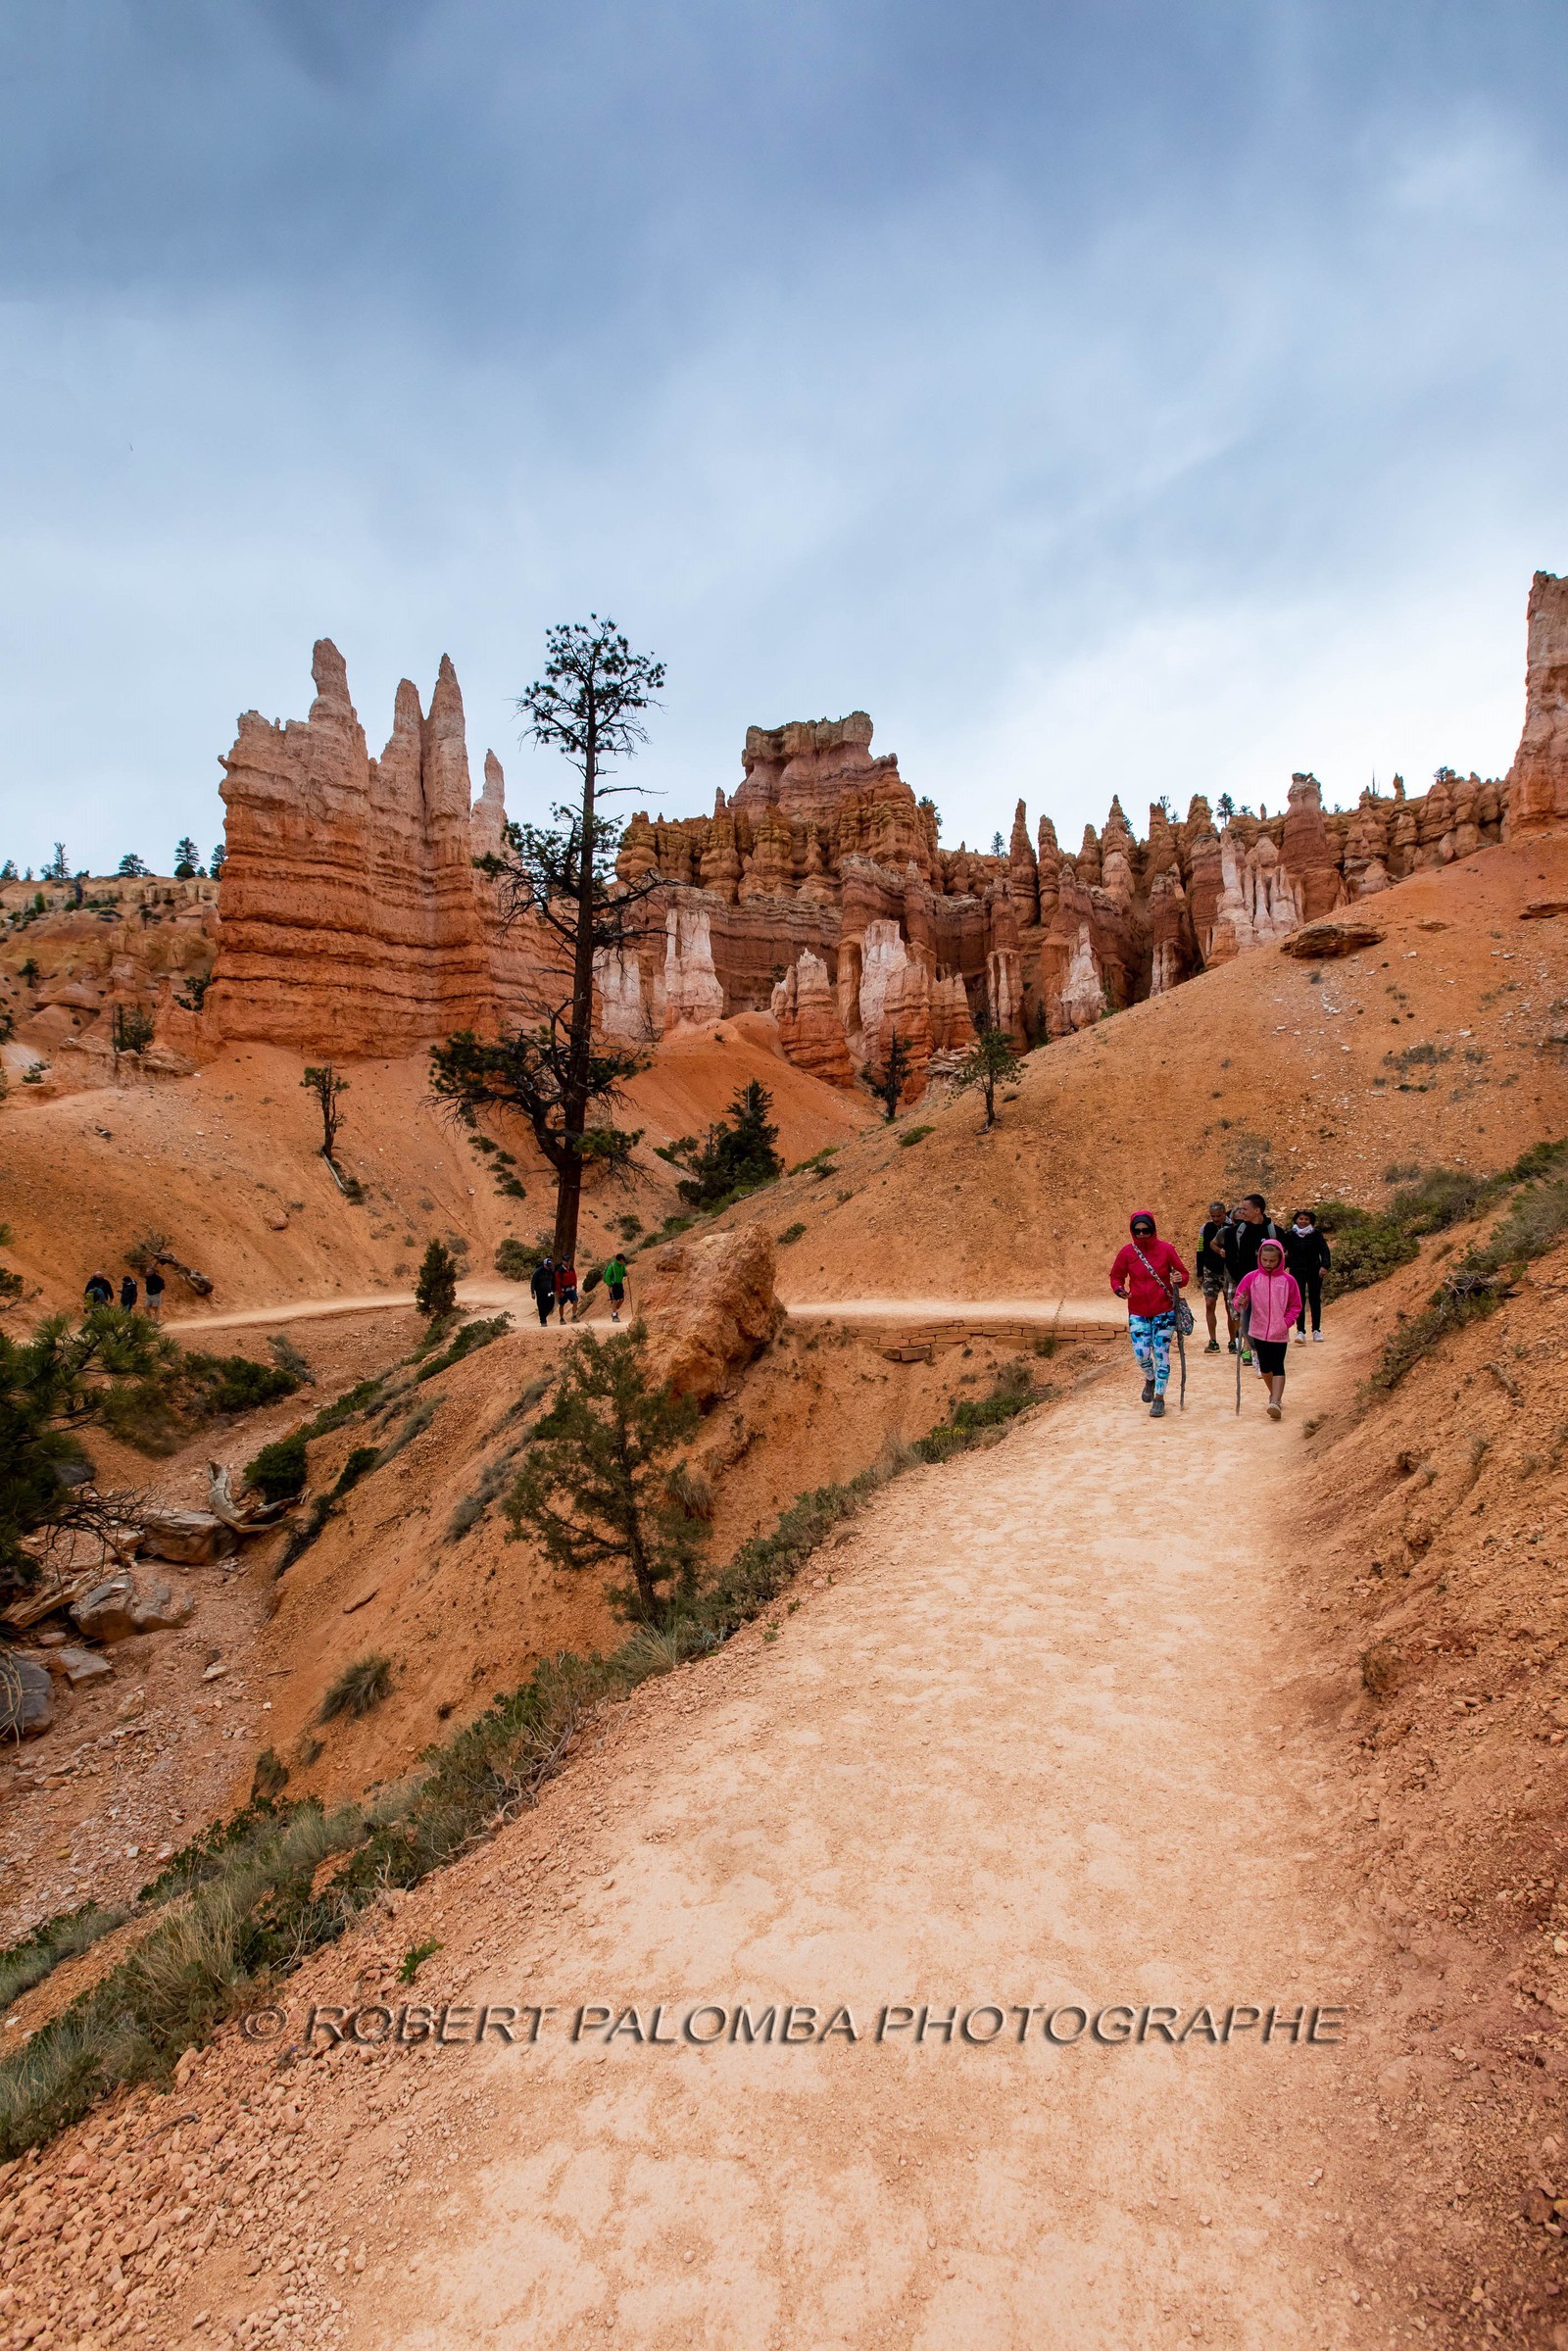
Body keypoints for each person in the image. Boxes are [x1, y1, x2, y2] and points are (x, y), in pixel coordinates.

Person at [1108, 1211, 1190, 1421]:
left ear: (1153, 1229)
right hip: (1137, 1311)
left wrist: (1179, 1278)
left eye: (1146, 1230)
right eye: (1138, 1231)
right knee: (1141, 1353)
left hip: (1164, 1311)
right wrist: (1119, 1289)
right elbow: (1116, 1275)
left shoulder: (1166, 1250)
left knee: (1161, 1353)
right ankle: (1150, 1378)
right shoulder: (1127, 1252)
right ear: (1132, 1231)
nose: (1142, 1234)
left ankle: (1159, 1398)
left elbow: (1184, 1274)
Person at [1233, 1238, 1301, 1422]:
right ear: (1259, 1258)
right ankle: (1274, 1395)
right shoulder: (1251, 1278)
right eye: (1265, 1260)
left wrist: (1285, 1322)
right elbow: (1240, 1298)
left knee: (1278, 1365)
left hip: (1279, 1332)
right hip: (1258, 1330)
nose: (1268, 1264)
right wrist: (1240, 1302)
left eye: (1272, 1261)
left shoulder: (1288, 1281)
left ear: (1280, 1259)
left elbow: (1296, 1305)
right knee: (1265, 1367)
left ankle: (1275, 1401)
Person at [1195, 1200, 1236, 1355]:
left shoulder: (1233, 1227)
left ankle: (1232, 1341)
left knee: (1230, 1307)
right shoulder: (1205, 1228)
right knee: (1209, 1303)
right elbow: (1200, 1249)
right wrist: (1199, 1272)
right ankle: (1213, 1341)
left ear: (1225, 1213)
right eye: (1213, 1216)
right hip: (1210, 1270)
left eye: (1219, 1216)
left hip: (1228, 1271)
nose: (1216, 1219)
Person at [1284, 1209, 1330, 1344]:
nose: (1303, 1221)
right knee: (1299, 1301)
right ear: (1296, 1220)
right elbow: (1284, 1252)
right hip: (1296, 1271)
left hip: (1314, 1270)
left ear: (1311, 1222)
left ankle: (1316, 1330)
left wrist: (1324, 1266)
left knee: (1315, 1299)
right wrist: (1283, 1267)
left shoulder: (1316, 1234)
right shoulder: (1290, 1235)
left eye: (1306, 1219)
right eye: (1301, 1219)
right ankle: (1300, 1331)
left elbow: (1324, 1250)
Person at [529, 1253, 556, 1328]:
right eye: (548, 1265)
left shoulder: (551, 1271)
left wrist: (554, 1289)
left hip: (549, 1291)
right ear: (544, 1264)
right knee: (541, 1306)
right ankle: (543, 1321)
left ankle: (544, 1315)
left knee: (551, 1303)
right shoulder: (538, 1272)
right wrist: (532, 1292)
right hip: (540, 1292)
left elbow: (553, 1281)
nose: (549, 1267)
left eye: (550, 1265)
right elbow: (533, 1282)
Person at [603, 1251, 628, 1323]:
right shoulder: (612, 1266)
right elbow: (607, 1276)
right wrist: (609, 1285)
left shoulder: (622, 1266)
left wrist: (626, 1273)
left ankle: (614, 1310)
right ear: (618, 1260)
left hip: (620, 1284)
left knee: (622, 1299)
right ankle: (614, 1315)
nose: (623, 1263)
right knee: (615, 1300)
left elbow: (623, 1273)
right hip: (613, 1285)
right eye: (622, 1261)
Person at [556, 1258, 579, 1323]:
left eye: (569, 1261)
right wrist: (560, 1292)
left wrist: (575, 1287)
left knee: (575, 1300)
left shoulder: (571, 1269)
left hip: (571, 1289)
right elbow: (557, 1282)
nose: (568, 1262)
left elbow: (575, 1278)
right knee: (562, 1304)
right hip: (563, 1290)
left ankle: (574, 1315)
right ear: (563, 1261)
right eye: (566, 1261)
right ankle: (561, 1318)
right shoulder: (559, 1271)